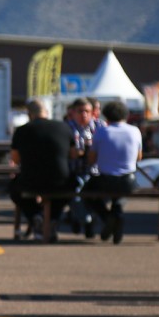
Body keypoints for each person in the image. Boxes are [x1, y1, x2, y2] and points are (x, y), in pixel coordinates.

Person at [9, 99, 75, 242]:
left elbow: (15, 159)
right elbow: (73, 154)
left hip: (30, 180)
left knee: (14, 189)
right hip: (61, 181)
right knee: (73, 188)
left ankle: (35, 216)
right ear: (47, 112)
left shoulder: (22, 131)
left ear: (29, 114)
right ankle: (53, 218)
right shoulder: (64, 128)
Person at [85, 100, 143, 244]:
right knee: (120, 194)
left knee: (86, 193)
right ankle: (116, 214)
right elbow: (139, 157)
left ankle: (108, 218)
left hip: (105, 180)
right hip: (128, 181)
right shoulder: (135, 131)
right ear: (126, 115)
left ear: (107, 116)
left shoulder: (101, 131)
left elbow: (91, 159)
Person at [65, 97, 96, 237]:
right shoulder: (67, 127)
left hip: (95, 171)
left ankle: (79, 218)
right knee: (74, 194)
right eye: (80, 111)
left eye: (87, 111)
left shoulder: (99, 126)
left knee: (96, 196)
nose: (84, 114)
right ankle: (86, 220)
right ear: (73, 112)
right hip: (74, 170)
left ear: (92, 112)